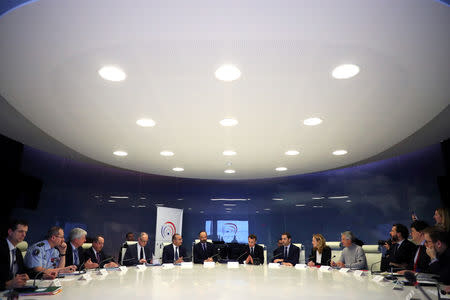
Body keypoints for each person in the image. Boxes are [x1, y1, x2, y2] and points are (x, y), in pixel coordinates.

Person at [0, 220, 30, 291]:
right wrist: (7, 285)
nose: (24, 235)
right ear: (10, 232)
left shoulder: (17, 251)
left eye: (25, 232)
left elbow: (23, 271)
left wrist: (24, 276)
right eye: (20, 231)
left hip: (13, 291)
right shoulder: (1, 248)